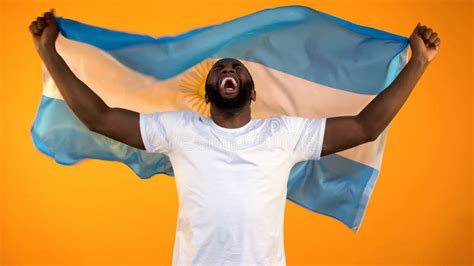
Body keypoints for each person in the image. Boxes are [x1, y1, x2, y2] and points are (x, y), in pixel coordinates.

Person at [29, 9, 440, 266]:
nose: (230, 69)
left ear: (252, 92)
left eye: (238, 69)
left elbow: (366, 126)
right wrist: (49, 52)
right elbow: (99, 117)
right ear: (206, 89)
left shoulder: (285, 134)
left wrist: (417, 64)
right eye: (221, 67)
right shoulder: (179, 129)